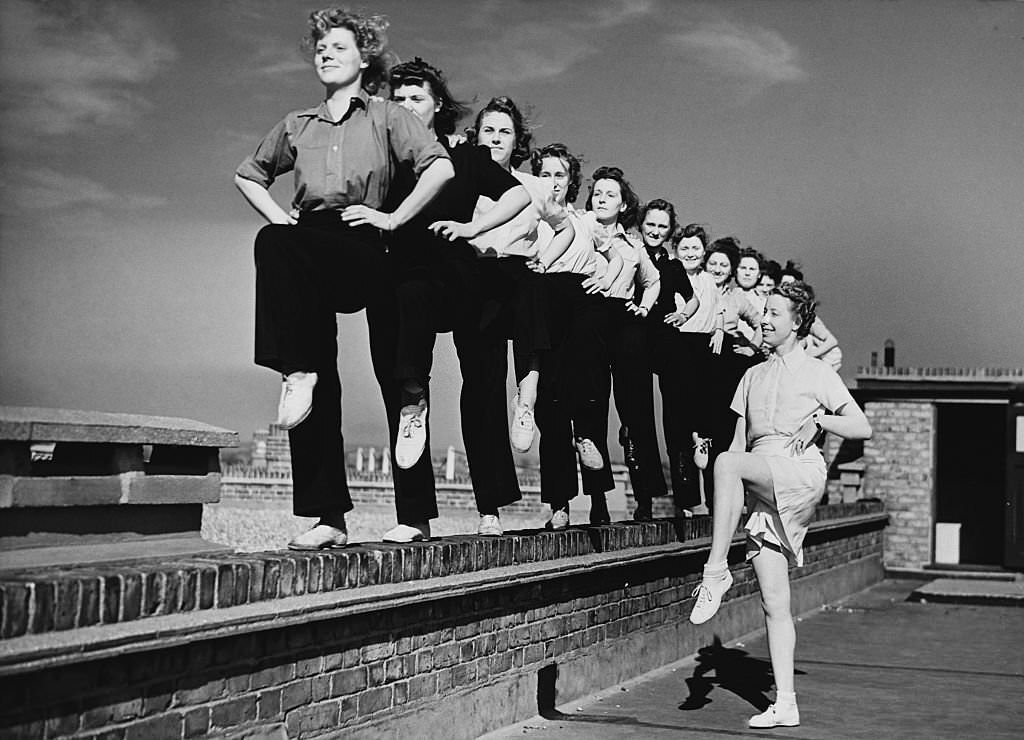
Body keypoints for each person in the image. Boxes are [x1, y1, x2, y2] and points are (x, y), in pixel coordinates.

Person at [233, 8, 454, 550]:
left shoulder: (385, 114)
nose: (325, 54)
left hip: (367, 243)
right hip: (311, 241)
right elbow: (247, 174)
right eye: (320, 48)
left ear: (363, 58)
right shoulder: (296, 124)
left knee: (399, 378)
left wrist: (393, 217)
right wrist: (280, 217)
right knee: (305, 353)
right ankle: (327, 514)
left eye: (337, 46)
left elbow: (440, 166)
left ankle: (416, 515)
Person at [687, 280, 872, 729]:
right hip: (762, 481)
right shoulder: (751, 375)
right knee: (774, 602)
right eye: (764, 312)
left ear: (797, 323)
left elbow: (861, 426)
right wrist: (710, 463)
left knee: (731, 465)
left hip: (799, 471)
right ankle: (785, 702)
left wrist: (821, 420)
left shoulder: (816, 372)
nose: (764, 320)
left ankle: (715, 572)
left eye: (774, 314)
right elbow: (735, 447)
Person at [378, 58, 532, 542]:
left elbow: (516, 196)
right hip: (408, 283)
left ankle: (490, 508)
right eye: (397, 99)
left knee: (483, 390)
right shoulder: (385, 162)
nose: (405, 107)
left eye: (416, 98)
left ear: (437, 105)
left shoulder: (463, 157)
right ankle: (414, 516)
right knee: (405, 388)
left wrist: (472, 227)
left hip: (467, 283)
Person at [431, 96, 575, 535]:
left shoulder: (532, 186)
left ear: (518, 142)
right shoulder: (461, 175)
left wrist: (544, 258)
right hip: (474, 281)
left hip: (520, 280)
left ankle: (526, 399)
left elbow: (566, 226)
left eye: (504, 131)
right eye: (488, 130)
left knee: (533, 288)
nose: (495, 138)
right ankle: (489, 506)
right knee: (480, 389)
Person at [529, 144, 623, 529]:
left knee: (588, 399)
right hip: (543, 305)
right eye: (546, 174)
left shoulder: (585, 221)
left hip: (582, 306)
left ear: (571, 182)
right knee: (550, 411)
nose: (553, 182)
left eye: (560, 175)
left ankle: (599, 497)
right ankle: (559, 504)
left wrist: (607, 275)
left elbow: (617, 255)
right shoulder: (527, 214)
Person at [584, 166, 665, 524]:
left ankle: (644, 497)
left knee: (636, 412)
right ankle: (598, 501)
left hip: (626, 324)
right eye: (597, 192)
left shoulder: (634, 245)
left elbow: (653, 281)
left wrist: (644, 307)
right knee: (592, 408)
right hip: (588, 321)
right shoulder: (579, 230)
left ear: (623, 205)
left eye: (610, 194)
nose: (601, 198)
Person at [638, 199, 699, 520]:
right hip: (634, 339)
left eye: (662, 226)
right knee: (638, 419)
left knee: (677, 421)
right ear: (641, 224)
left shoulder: (674, 266)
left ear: (669, 230)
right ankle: (644, 500)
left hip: (667, 340)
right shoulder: (629, 254)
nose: (656, 231)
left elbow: (693, 298)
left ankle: (685, 499)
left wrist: (682, 314)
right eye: (651, 224)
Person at [664, 223, 724, 515]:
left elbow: (720, 311)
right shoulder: (671, 275)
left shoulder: (710, 282)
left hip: (703, 350)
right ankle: (685, 500)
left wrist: (720, 330)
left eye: (695, 248)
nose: (690, 253)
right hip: (677, 348)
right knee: (678, 425)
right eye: (684, 247)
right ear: (676, 250)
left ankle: (702, 446)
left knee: (702, 417)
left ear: (704, 253)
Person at [780, 261, 842, 371]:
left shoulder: (806, 315)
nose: (787, 289)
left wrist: (810, 356)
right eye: (783, 285)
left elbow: (832, 341)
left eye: (791, 285)